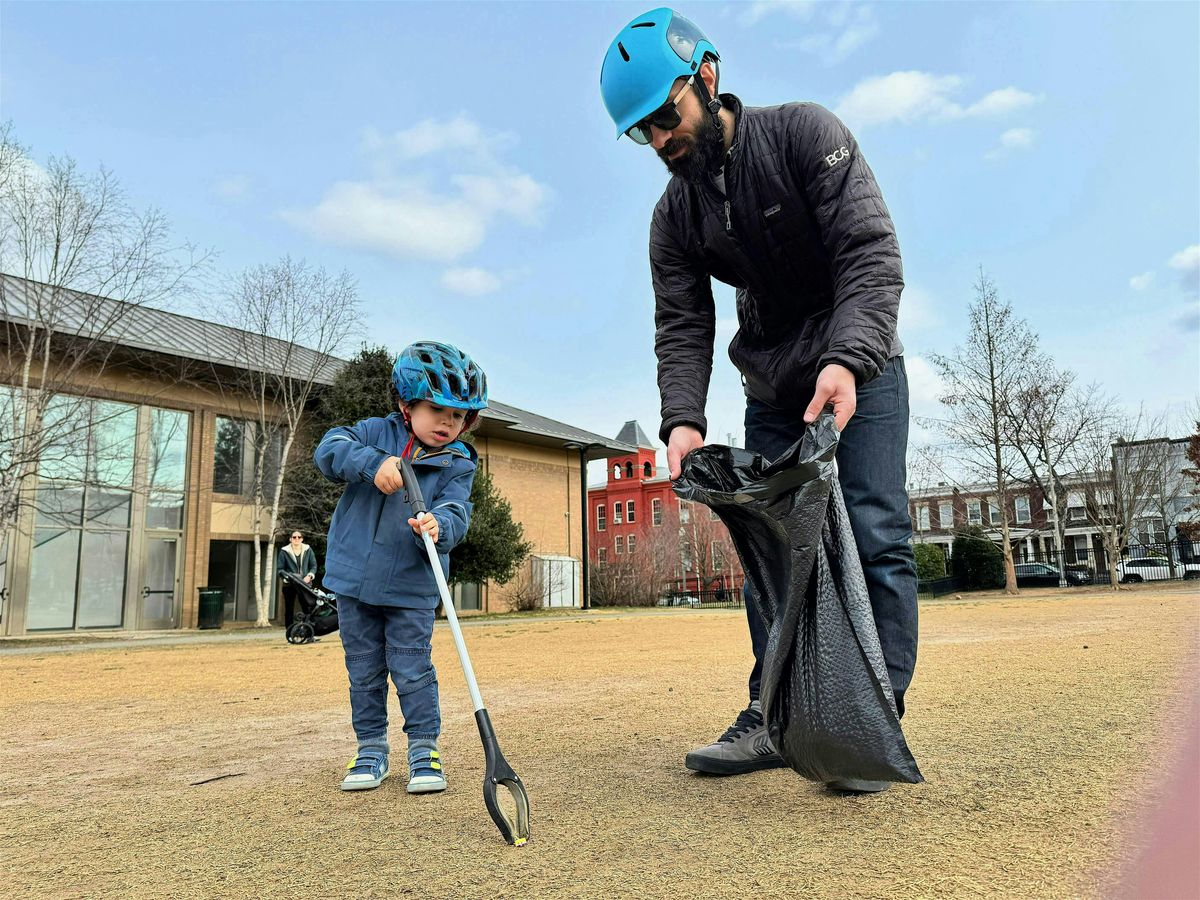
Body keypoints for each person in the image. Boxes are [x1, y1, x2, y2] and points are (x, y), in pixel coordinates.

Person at [601, 9, 918, 793]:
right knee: (772, 552)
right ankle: (773, 716)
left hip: (862, 369)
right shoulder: (674, 215)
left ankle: (870, 724)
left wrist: (848, 359)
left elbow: (870, 253)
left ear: (705, 77)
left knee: (875, 532)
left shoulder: (807, 135)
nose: (660, 142)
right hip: (775, 388)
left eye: (664, 119)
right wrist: (682, 418)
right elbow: (682, 322)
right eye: (641, 133)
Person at [314, 341, 487, 795]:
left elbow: (457, 509)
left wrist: (440, 524)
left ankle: (424, 748)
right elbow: (329, 449)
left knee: (412, 668)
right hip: (353, 580)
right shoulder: (372, 433)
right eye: (437, 410)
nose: (449, 423)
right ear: (405, 404)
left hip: (413, 584)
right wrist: (372, 464)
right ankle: (371, 748)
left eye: (459, 416)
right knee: (364, 668)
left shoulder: (459, 461)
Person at [277, 530, 317, 629]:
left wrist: (310, 575)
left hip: (304, 584)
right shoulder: (284, 551)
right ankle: (290, 633)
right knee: (289, 609)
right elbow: (280, 569)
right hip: (289, 585)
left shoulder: (308, 549)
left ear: (302, 539)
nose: (297, 539)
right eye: (294, 537)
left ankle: (309, 631)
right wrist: (288, 578)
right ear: (290, 539)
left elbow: (313, 565)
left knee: (307, 608)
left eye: (299, 537)